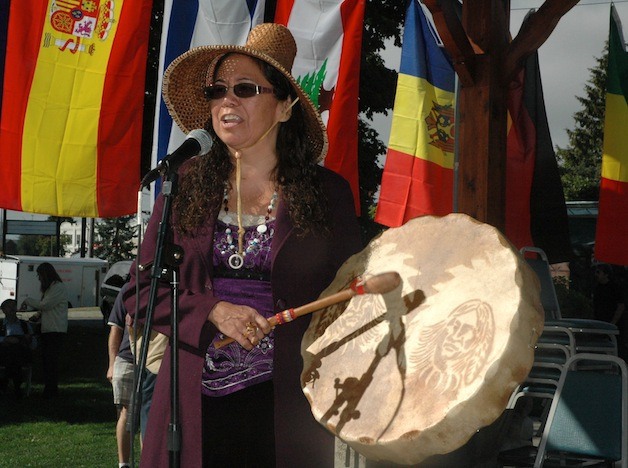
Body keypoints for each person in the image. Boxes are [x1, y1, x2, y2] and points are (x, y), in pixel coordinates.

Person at [124, 23, 362, 467]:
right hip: (190, 413)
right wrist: (213, 311)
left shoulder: (328, 194)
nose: (226, 101)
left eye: (245, 88)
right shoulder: (183, 185)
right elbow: (138, 293)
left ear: (285, 106)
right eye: (218, 91)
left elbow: (352, 294)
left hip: (288, 411)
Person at [21, 262, 68, 398]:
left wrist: (27, 300)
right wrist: (36, 316)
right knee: (47, 361)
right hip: (48, 330)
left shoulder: (58, 287)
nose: (39, 278)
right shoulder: (50, 289)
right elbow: (45, 309)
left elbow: (45, 305)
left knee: (51, 361)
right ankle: (49, 389)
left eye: (40, 275)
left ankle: (51, 391)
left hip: (55, 330)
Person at [107, 283, 134, 468]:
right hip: (127, 359)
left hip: (157, 361)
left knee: (150, 413)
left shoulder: (167, 286)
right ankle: (123, 464)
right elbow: (115, 330)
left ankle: (149, 461)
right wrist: (111, 365)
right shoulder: (128, 289)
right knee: (127, 413)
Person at [0, 299, 34, 398]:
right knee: (11, 351)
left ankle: (4, 383)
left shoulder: (24, 325)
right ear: (3, 310)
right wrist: (6, 340)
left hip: (21, 354)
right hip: (4, 354)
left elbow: (33, 343)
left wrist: (28, 340)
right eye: (9, 306)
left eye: (14, 306)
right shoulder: (1, 325)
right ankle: (16, 386)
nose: (12, 309)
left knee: (15, 351)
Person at [592, 263, 627, 359]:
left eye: (599, 272)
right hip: (600, 322)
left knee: (618, 348)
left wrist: (614, 322)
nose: (596, 275)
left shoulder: (614, 287)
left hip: (614, 322)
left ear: (606, 274)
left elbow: (621, 306)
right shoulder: (598, 288)